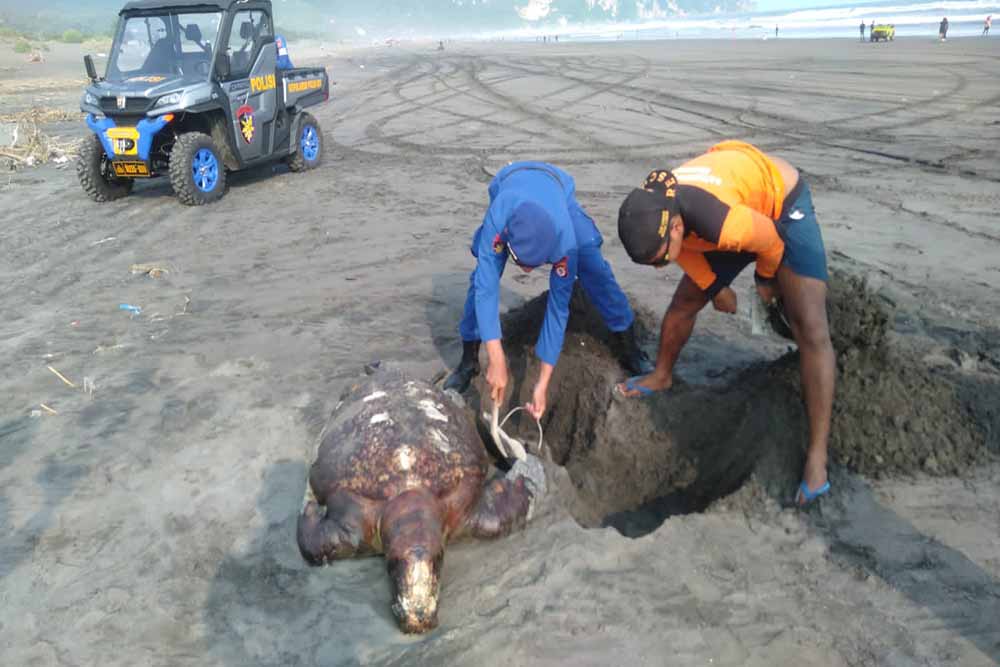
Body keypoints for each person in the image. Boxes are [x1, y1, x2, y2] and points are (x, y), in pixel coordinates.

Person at [616, 141, 835, 506]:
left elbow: (770, 240)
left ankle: (817, 458)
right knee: (684, 303)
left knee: (811, 330)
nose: (658, 268)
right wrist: (716, 286)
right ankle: (662, 375)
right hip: (735, 207)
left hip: (780, 206)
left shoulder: (719, 224)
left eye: (659, 260)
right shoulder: (657, 211)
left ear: (676, 227)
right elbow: (685, 252)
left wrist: (765, 280)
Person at [444, 161, 653, 418]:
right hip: (510, 180)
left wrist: (542, 384)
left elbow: (557, 308)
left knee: (594, 267)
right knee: (480, 280)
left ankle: (629, 345)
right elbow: (486, 289)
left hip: (557, 186)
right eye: (521, 263)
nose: (527, 272)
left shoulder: (565, 242)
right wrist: (495, 357)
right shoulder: (499, 219)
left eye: (535, 265)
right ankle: (468, 360)